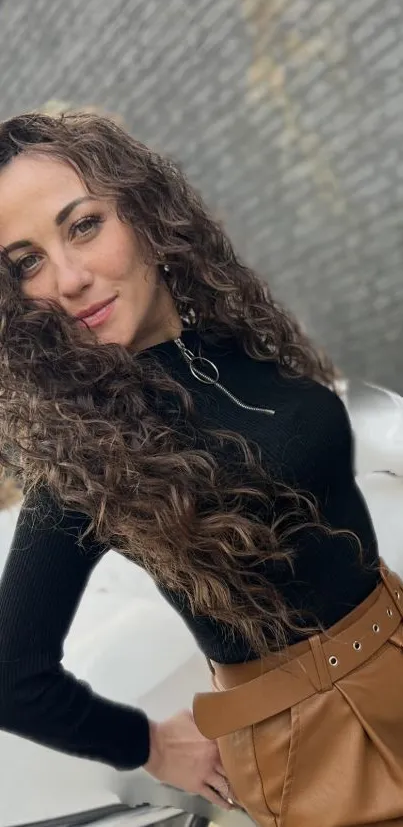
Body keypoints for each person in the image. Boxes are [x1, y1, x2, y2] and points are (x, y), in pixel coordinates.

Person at [0, 112, 401, 827]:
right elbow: (11, 675)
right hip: (322, 746)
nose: (67, 278)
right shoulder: (85, 455)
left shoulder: (230, 334)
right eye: (25, 262)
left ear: (144, 209)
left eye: (83, 225)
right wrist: (149, 744)